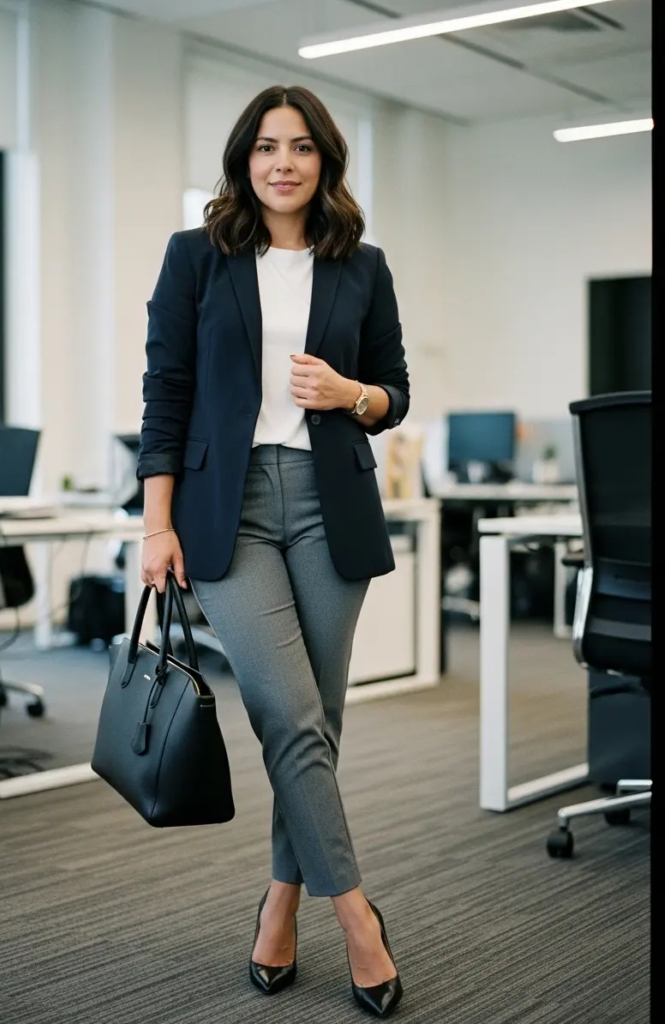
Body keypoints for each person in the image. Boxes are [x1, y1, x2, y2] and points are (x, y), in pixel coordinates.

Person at [138, 84, 409, 1019]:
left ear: (325, 161)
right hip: (230, 509)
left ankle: (280, 902)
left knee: (315, 725)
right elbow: (164, 395)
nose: (281, 162)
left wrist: (350, 393)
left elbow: (395, 393)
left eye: (300, 147)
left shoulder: (361, 267)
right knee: (291, 718)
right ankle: (359, 921)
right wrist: (155, 523)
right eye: (264, 147)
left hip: (331, 506)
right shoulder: (195, 259)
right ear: (242, 160)